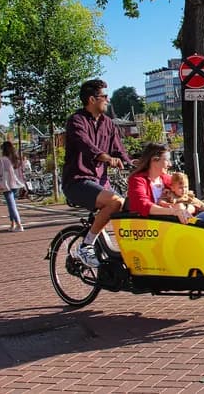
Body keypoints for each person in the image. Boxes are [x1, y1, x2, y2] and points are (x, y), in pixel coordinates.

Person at [62, 78, 133, 267]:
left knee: (130, 206)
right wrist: (107, 158)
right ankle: (86, 246)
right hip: (78, 181)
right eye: (104, 97)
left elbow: (119, 150)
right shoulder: (76, 121)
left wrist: (135, 163)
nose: (108, 100)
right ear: (92, 100)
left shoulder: (108, 123)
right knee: (114, 201)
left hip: (100, 182)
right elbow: (87, 146)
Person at [125, 142, 191, 222]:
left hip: (171, 224)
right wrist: (174, 211)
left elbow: (189, 198)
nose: (170, 164)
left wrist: (185, 208)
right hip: (150, 227)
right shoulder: (137, 180)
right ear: (154, 160)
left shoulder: (168, 179)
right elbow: (143, 205)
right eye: (167, 160)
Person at [0, 141, 26, 232]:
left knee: (11, 205)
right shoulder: (15, 159)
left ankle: (19, 224)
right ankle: (12, 224)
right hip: (16, 184)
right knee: (12, 204)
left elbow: (1, 173)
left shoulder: (3, 159)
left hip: (7, 185)